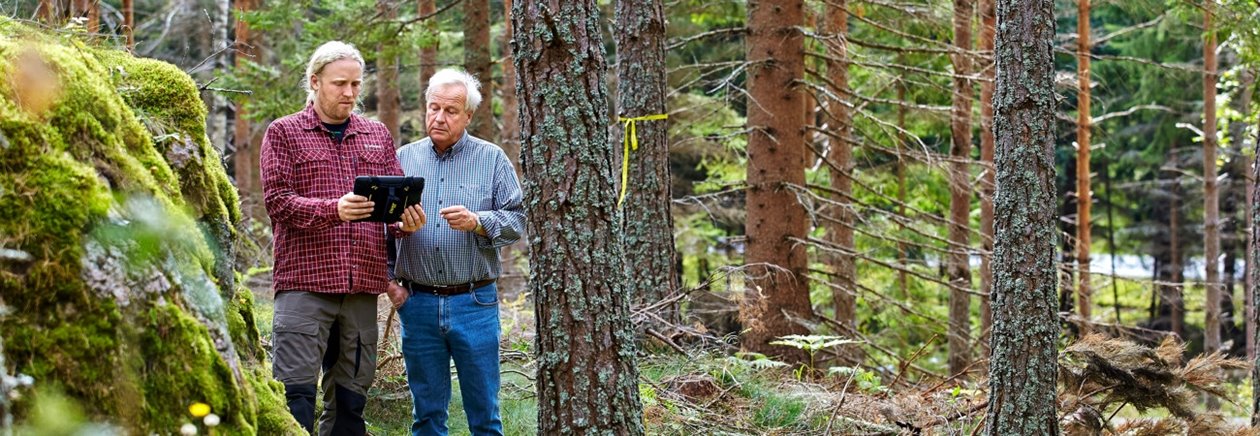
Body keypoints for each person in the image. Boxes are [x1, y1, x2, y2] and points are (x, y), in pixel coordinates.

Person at [260, 40, 424, 435]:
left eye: (355, 84)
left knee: (351, 402)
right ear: (314, 82)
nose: (349, 93)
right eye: (339, 84)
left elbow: (391, 206)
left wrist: (405, 222)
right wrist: (333, 210)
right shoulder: (284, 133)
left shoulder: (376, 135)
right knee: (294, 396)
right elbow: (278, 202)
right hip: (305, 284)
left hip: (361, 289)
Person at [388, 68, 525, 436]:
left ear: (468, 116)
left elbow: (518, 220)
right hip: (417, 303)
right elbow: (378, 228)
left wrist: (478, 222)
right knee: (428, 415)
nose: (439, 117)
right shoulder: (402, 159)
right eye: (434, 108)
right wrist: (390, 282)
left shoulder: (492, 158)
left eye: (451, 110)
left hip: (474, 302)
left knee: (484, 413)